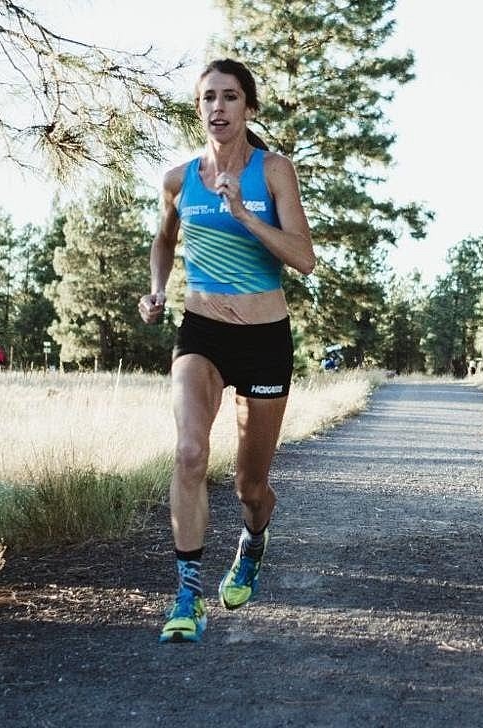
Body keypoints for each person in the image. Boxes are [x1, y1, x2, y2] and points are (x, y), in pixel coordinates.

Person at [138, 58, 315, 644]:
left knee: (249, 488)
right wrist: (158, 289)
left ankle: (254, 540)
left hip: (265, 338)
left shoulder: (274, 172)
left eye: (230, 96)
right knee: (190, 452)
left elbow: (304, 258)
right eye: (208, 97)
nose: (218, 107)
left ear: (249, 107)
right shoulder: (178, 179)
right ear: (199, 108)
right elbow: (164, 241)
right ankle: (187, 596)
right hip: (202, 331)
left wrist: (242, 212)